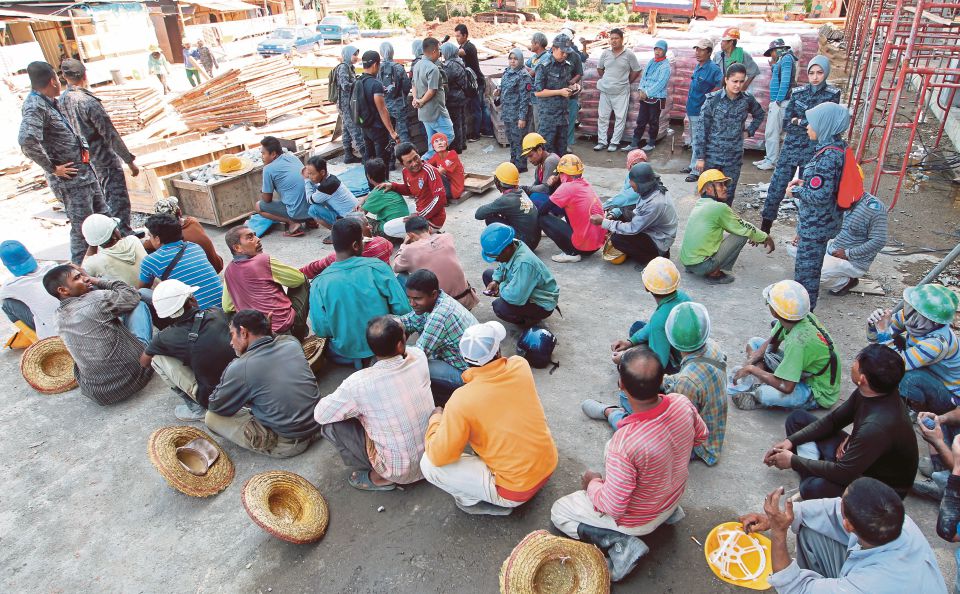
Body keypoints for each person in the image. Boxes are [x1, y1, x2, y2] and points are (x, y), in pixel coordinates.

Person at [552, 346, 707, 582]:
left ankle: (622, 544)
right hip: (671, 498)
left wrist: (592, 483)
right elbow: (701, 435)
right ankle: (611, 413)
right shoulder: (682, 403)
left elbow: (613, 507)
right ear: (662, 380)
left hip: (641, 520)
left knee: (559, 512)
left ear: (621, 386)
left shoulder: (623, 445)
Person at [421, 321, 558, 515]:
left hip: (515, 490)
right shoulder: (520, 365)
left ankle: (473, 501)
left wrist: (435, 420)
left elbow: (439, 455)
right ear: (498, 351)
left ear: (466, 359)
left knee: (428, 463)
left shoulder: (461, 399)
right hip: (548, 463)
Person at [762, 344, 917, 501]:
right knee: (797, 420)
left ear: (862, 379)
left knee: (812, 488)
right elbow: (833, 421)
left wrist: (794, 461)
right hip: (853, 459)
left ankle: (813, 474)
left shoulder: (877, 427)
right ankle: (816, 468)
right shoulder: (872, 391)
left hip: (876, 488)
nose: (853, 363)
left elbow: (844, 473)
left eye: (857, 361)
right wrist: (790, 441)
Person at [739, 479, 947, 593]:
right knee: (810, 530)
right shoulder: (897, 520)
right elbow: (831, 509)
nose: (837, 503)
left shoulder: (870, 586)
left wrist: (778, 532)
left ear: (848, 525)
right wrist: (787, 517)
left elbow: (794, 588)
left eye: (842, 503)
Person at [314, 316, 435, 490]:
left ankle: (381, 477)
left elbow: (320, 414)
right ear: (401, 345)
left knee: (331, 425)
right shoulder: (418, 356)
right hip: (434, 455)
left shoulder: (357, 383)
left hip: (399, 472)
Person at [19, 61, 109, 265]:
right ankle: (80, 272)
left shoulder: (49, 101)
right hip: (71, 181)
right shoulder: (35, 106)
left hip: (84, 174)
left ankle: (112, 261)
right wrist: (53, 168)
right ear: (52, 80)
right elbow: (27, 140)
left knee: (103, 220)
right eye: (57, 78)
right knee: (83, 231)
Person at [206, 310, 321, 458]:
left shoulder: (240, 368)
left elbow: (216, 406)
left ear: (244, 332)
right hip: (320, 424)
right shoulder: (290, 342)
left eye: (232, 334)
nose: (230, 342)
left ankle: (276, 442)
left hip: (290, 444)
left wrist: (231, 374)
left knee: (211, 417)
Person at [867, 284, 960, 449]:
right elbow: (876, 342)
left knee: (906, 378)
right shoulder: (914, 319)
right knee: (890, 343)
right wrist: (874, 324)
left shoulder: (936, 343)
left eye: (913, 309)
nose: (906, 312)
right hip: (930, 375)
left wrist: (883, 332)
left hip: (949, 395)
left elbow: (895, 365)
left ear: (927, 318)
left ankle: (919, 409)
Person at [43, 264, 153, 405]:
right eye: (78, 278)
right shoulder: (96, 298)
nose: (85, 279)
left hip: (99, 393)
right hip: (137, 376)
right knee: (139, 303)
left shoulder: (57, 317)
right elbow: (132, 294)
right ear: (63, 290)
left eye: (83, 275)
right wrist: (96, 280)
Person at [309, 218, 411, 367]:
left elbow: (321, 330)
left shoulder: (319, 283)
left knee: (328, 348)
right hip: (387, 345)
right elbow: (403, 309)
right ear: (356, 245)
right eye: (363, 240)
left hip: (346, 353)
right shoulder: (378, 267)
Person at [731, 280, 841, 411]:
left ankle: (758, 393)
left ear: (774, 312)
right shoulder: (796, 318)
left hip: (817, 389)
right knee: (754, 343)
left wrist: (753, 370)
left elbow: (787, 387)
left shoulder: (798, 342)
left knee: (766, 394)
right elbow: (772, 342)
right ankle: (762, 383)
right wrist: (752, 360)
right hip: (803, 369)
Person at [761, 56, 841, 233]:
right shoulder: (798, 93)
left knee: (808, 191)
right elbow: (788, 122)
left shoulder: (832, 95)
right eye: (812, 73)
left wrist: (801, 121)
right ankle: (765, 226)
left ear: (826, 73)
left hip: (814, 150)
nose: (815, 77)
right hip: (792, 147)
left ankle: (802, 231)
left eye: (819, 73)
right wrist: (807, 123)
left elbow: (826, 125)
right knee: (777, 186)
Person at [59, 59, 137, 235]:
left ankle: (108, 235)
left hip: (83, 160)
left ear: (64, 76)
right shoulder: (88, 102)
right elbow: (109, 134)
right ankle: (123, 236)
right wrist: (129, 160)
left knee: (101, 199)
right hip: (103, 158)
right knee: (117, 199)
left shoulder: (62, 101)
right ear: (85, 75)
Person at [140, 279, 235, 421]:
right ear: (192, 299)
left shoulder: (164, 337)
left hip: (214, 397)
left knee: (157, 359)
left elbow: (144, 362)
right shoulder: (216, 313)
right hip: (239, 382)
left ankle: (197, 409)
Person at [787, 102, 848, 310]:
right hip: (820, 223)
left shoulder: (828, 156)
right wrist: (805, 184)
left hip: (816, 226)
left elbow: (820, 195)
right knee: (808, 274)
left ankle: (800, 318)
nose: (807, 126)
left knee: (806, 277)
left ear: (824, 125)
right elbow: (824, 186)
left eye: (812, 123)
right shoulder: (833, 149)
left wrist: (795, 191)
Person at [680, 169, 774, 284]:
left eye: (724, 184)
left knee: (741, 231)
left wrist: (754, 235)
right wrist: (765, 237)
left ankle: (698, 268)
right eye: (720, 184)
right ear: (708, 188)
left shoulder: (701, 204)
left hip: (688, 262)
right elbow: (743, 227)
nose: (725, 188)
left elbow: (735, 225)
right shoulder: (718, 208)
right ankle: (714, 273)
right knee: (742, 235)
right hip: (702, 265)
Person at [789, 190, 887, 297]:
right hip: (833, 247)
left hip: (852, 260)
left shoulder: (874, 208)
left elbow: (879, 240)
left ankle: (846, 282)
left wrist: (848, 253)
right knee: (793, 248)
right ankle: (829, 267)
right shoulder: (838, 196)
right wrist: (803, 234)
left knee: (811, 274)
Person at [399, 269, 478, 400]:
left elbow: (418, 355)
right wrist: (392, 324)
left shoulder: (440, 316)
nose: (412, 304)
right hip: (463, 361)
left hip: (467, 374)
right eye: (409, 298)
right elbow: (409, 321)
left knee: (411, 368)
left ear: (433, 294)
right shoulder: (438, 300)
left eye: (417, 299)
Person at [222, 225, 309, 341]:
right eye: (250, 237)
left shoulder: (228, 271)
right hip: (284, 330)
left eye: (255, 235)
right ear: (237, 248)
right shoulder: (262, 260)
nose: (258, 239)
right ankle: (299, 331)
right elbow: (298, 279)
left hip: (259, 336)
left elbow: (227, 307)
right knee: (303, 281)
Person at [695, 63, 765, 205]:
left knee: (728, 194)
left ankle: (724, 223)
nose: (738, 85)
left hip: (733, 157)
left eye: (741, 81)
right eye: (734, 81)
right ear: (726, 79)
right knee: (709, 193)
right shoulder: (712, 100)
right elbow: (702, 129)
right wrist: (700, 157)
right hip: (712, 156)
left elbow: (759, 114)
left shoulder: (747, 100)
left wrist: (749, 131)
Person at [610, 257, 690, 371]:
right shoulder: (683, 297)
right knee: (637, 328)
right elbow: (654, 325)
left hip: (677, 364)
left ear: (646, 288)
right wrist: (630, 342)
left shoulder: (659, 319)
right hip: (684, 351)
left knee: (627, 368)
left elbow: (658, 365)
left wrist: (625, 358)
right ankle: (640, 350)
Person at [590, 162, 676, 267]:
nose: (630, 183)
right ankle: (640, 249)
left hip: (660, 240)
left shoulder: (655, 203)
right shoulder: (649, 189)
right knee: (620, 215)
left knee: (617, 239)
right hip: (651, 227)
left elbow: (633, 228)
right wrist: (614, 214)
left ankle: (653, 258)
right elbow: (632, 206)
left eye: (632, 181)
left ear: (642, 184)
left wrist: (603, 222)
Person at [480, 223, 559, 326]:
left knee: (499, 307)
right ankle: (510, 301)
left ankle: (530, 320)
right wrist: (496, 281)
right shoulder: (512, 244)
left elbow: (515, 297)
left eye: (496, 256)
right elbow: (501, 267)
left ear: (506, 249)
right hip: (523, 287)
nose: (496, 260)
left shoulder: (524, 263)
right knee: (488, 275)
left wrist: (501, 288)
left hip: (541, 302)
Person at [139, 213, 223, 311]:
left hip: (202, 316)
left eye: (150, 236)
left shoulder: (151, 261)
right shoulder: (194, 247)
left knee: (143, 293)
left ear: (157, 239)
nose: (149, 239)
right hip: (222, 306)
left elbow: (143, 289)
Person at [393, 216, 478, 310]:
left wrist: (403, 245)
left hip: (444, 307)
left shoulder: (409, 250)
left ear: (410, 235)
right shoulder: (447, 237)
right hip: (466, 299)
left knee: (402, 276)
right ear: (429, 228)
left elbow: (396, 267)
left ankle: (415, 309)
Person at [538, 154, 605, 263]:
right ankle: (575, 244)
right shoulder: (585, 184)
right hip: (596, 245)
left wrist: (550, 185)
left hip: (582, 248)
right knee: (566, 208)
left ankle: (571, 253)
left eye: (560, 173)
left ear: (564, 174)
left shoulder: (566, 188)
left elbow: (543, 210)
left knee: (542, 218)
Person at [300, 212, 392, 278]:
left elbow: (313, 268)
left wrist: (297, 274)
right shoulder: (382, 242)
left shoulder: (337, 257)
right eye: (367, 224)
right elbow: (390, 249)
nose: (370, 226)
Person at [593, 28, 641, 152]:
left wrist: (626, 81)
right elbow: (600, 69)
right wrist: (608, 79)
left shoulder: (629, 54)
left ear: (622, 40)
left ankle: (614, 142)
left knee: (620, 118)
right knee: (603, 117)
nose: (614, 41)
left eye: (616, 38)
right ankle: (602, 142)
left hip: (621, 91)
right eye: (612, 38)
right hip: (605, 90)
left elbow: (636, 69)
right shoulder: (605, 53)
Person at [0, 240, 60, 339]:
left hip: (53, 334)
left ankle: (35, 339)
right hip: (74, 320)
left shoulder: (12, 285)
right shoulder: (52, 265)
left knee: (7, 304)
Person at [682, 39, 723, 181]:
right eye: (696, 49)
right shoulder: (699, 66)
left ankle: (696, 170)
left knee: (700, 140)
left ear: (709, 52)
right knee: (694, 139)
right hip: (692, 108)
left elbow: (721, 86)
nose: (697, 52)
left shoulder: (713, 69)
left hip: (701, 110)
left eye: (701, 50)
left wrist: (710, 102)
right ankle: (693, 164)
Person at [475, 162, 540, 250]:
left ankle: (508, 247)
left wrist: (496, 208)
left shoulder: (506, 200)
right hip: (534, 240)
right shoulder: (520, 191)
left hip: (525, 244)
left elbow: (479, 214)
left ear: (499, 183)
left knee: (490, 218)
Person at [381, 142, 447, 228]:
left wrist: (419, 216)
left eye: (416, 158)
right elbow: (409, 190)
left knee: (387, 227)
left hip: (433, 220)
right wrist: (393, 186)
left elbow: (440, 198)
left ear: (419, 154)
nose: (415, 163)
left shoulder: (429, 170)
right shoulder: (405, 171)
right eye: (409, 162)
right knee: (409, 209)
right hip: (421, 211)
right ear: (402, 164)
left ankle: (423, 234)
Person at [256, 136, 311, 237]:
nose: (262, 157)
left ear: (273, 154)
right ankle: (310, 220)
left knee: (259, 206)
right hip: (313, 208)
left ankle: (292, 222)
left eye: (263, 153)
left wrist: (263, 191)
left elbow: (267, 199)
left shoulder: (268, 169)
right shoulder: (292, 157)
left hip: (297, 213)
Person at [754, 39, 796, 171]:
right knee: (771, 131)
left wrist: (778, 100)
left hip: (781, 102)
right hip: (778, 101)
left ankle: (772, 161)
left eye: (772, 52)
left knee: (773, 131)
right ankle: (770, 157)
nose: (771, 55)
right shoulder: (783, 60)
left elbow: (785, 81)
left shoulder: (787, 59)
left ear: (777, 50)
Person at [152, 197, 223, 272]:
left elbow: (150, 244)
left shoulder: (172, 236)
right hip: (217, 265)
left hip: (205, 271)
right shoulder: (192, 221)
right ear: (180, 212)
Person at [533, 34, 576, 157]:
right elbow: (538, 92)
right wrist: (559, 92)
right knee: (546, 153)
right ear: (554, 49)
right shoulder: (544, 66)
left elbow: (566, 84)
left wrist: (573, 88)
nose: (564, 55)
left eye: (567, 53)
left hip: (563, 116)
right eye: (562, 52)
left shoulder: (567, 66)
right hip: (548, 118)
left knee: (561, 153)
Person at [356, 50, 402, 165]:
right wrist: (392, 131)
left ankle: (372, 182)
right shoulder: (376, 84)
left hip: (365, 126)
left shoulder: (359, 81)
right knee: (382, 161)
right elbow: (382, 110)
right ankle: (382, 182)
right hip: (377, 129)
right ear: (376, 64)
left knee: (369, 159)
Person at [413, 37, 455, 160]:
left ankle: (432, 164)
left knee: (433, 141)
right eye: (438, 50)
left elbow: (414, 84)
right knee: (448, 135)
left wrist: (416, 99)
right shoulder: (433, 68)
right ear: (433, 51)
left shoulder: (417, 65)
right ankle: (426, 159)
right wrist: (420, 100)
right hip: (435, 110)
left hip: (424, 111)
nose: (439, 53)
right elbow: (432, 90)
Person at [627, 40, 671, 153]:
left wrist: (647, 92)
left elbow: (661, 83)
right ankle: (634, 143)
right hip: (645, 97)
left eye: (660, 49)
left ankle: (651, 143)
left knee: (653, 121)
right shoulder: (652, 61)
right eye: (656, 49)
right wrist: (641, 89)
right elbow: (644, 77)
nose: (657, 51)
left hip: (656, 98)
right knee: (641, 120)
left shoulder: (665, 66)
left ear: (664, 51)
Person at [302, 155, 358, 242]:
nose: (310, 176)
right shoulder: (331, 178)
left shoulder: (326, 186)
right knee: (321, 200)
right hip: (356, 215)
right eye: (308, 174)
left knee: (312, 209)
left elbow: (310, 200)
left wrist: (306, 180)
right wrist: (309, 178)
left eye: (312, 174)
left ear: (322, 172)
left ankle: (337, 234)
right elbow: (318, 192)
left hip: (350, 221)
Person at [81, 213, 147, 287]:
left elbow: (83, 271)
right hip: (153, 291)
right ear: (114, 234)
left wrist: (93, 243)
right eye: (116, 228)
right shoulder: (133, 239)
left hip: (132, 295)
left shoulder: (95, 262)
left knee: (94, 284)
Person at [496, 49, 533, 172]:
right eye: (510, 58)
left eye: (515, 59)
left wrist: (522, 117)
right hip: (507, 113)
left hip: (518, 115)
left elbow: (525, 99)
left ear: (520, 60)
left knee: (519, 140)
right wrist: (498, 90)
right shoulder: (507, 72)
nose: (512, 61)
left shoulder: (523, 76)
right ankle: (513, 161)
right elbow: (503, 86)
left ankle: (521, 165)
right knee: (511, 139)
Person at [454, 23, 491, 141]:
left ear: (465, 35)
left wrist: (444, 48)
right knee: (481, 107)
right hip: (477, 81)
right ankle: (487, 130)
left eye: (458, 36)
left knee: (477, 108)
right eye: (456, 36)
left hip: (476, 83)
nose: (457, 38)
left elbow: (459, 53)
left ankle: (476, 133)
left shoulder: (469, 47)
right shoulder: (463, 46)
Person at [359, 157, 409, 237]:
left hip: (390, 233)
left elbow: (361, 213)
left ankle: (369, 243)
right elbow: (371, 194)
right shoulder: (389, 185)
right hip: (404, 228)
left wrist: (360, 205)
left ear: (369, 177)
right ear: (385, 172)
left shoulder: (376, 193)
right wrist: (363, 200)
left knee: (359, 221)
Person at [378, 41, 412, 144]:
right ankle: (406, 156)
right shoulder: (398, 67)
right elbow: (407, 85)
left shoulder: (377, 68)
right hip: (399, 104)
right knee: (403, 132)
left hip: (383, 105)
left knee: (389, 132)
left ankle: (391, 159)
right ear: (392, 52)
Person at [335, 45, 363, 164]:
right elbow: (345, 85)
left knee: (346, 129)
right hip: (345, 105)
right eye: (354, 54)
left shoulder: (350, 67)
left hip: (348, 103)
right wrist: (357, 83)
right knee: (355, 129)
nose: (356, 57)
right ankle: (364, 154)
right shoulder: (343, 68)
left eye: (357, 55)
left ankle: (348, 155)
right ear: (347, 55)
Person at [440, 42, 469, 154]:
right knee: (461, 121)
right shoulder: (459, 61)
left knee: (455, 123)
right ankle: (463, 143)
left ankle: (457, 146)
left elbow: (444, 79)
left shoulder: (450, 65)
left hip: (453, 98)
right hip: (461, 95)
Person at [602, 149, 649, 217]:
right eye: (635, 164)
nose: (639, 167)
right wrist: (614, 213)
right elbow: (623, 194)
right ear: (629, 166)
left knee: (619, 208)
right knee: (612, 209)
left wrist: (602, 206)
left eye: (641, 163)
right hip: (634, 206)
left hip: (645, 214)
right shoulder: (631, 176)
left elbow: (625, 198)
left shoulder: (645, 179)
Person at [520, 133, 560, 209]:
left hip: (563, 202)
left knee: (535, 197)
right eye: (527, 157)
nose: (529, 160)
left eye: (531, 156)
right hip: (555, 197)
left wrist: (526, 189)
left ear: (539, 150)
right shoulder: (540, 164)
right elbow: (536, 184)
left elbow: (546, 189)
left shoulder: (550, 161)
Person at [426, 132, 464, 202]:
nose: (439, 143)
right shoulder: (436, 156)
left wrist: (428, 168)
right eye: (436, 141)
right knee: (427, 172)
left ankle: (440, 197)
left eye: (441, 140)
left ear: (446, 144)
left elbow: (440, 171)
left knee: (434, 173)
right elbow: (426, 165)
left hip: (453, 189)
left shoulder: (452, 154)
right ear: (433, 146)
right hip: (445, 186)